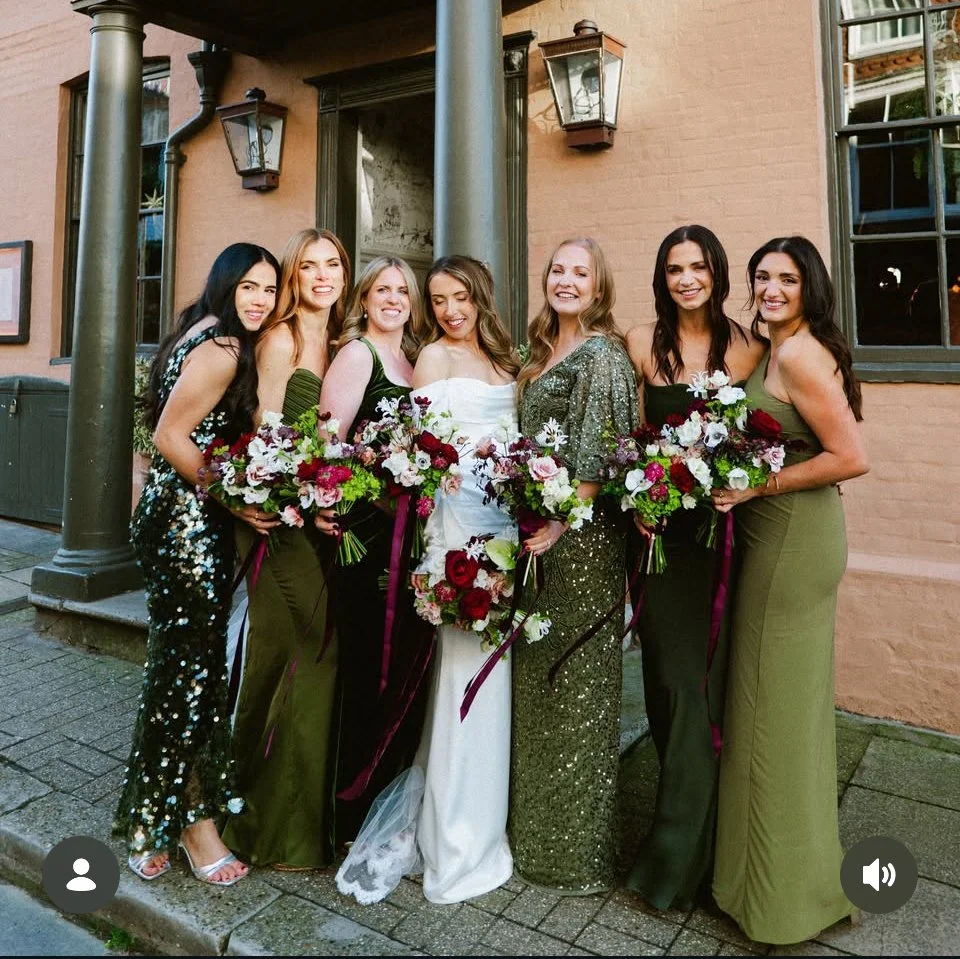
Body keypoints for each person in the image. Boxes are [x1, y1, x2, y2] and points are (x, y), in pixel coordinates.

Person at [336, 255, 519, 905]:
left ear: (481, 296)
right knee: (461, 685)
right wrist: (442, 551)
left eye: (460, 296)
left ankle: (484, 821)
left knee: (491, 687)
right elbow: (426, 454)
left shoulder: (506, 361)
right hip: (457, 544)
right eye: (437, 299)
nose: (449, 310)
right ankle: (454, 840)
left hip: (505, 538)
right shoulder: (434, 361)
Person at [710, 236, 869, 944]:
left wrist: (757, 485)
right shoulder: (782, 345)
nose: (771, 288)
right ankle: (762, 880)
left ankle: (783, 902)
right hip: (781, 537)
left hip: (793, 542)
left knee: (770, 714)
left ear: (810, 287)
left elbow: (851, 456)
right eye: (762, 277)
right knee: (775, 711)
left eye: (786, 279)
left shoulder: (802, 354)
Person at [114, 242, 280, 886]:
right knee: (187, 676)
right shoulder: (223, 348)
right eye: (249, 287)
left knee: (183, 672)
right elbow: (168, 437)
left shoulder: (201, 331)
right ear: (225, 286)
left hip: (176, 514)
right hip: (186, 521)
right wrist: (235, 498)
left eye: (269, 289)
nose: (260, 300)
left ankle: (164, 815)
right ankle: (181, 824)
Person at [624, 225, 765, 909]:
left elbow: (767, 434)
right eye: (675, 268)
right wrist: (634, 499)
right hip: (656, 540)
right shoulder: (639, 342)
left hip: (716, 537)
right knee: (663, 687)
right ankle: (691, 838)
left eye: (698, 267)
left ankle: (677, 864)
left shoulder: (746, 346)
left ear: (717, 273)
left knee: (697, 693)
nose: (686, 279)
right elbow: (628, 438)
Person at [510, 237, 639, 894]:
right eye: (557, 269)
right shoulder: (540, 353)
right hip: (540, 536)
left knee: (577, 687)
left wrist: (561, 521)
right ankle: (534, 832)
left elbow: (604, 455)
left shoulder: (604, 357)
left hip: (580, 544)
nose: (565, 280)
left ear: (598, 287)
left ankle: (576, 853)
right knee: (540, 687)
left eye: (579, 272)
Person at [222, 228, 350, 869]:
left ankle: (300, 828)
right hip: (275, 520)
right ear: (294, 276)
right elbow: (263, 438)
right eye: (309, 266)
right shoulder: (284, 338)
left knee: (313, 658)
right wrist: (292, 502)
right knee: (293, 653)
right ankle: (247, 820)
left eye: (333, 264)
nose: (322, 276)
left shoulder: (343, 340)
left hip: (320, 521)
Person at [314, 255, 431, 843]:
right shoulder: (358, 353)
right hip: (365, 536)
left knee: (400, 672)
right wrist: (354, 492)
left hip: (405, 537)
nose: (393, 298)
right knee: (367, 669)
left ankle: (386, 801)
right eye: (382, 290)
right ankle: (350, 815)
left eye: (402, 290)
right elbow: (327, 445)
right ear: (362, 300)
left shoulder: (410, 358)